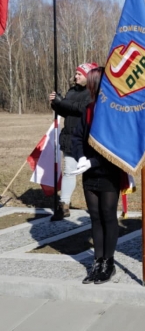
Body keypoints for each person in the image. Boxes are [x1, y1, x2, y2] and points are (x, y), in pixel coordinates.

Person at [72, 67, 122, 284]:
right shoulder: (89, 109)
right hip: (89, 173)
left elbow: (116, 146)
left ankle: (108, 262)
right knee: (95, 217)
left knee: (108, 216)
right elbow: (76, 137)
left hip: (109, 171)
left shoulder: (115, 111)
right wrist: (80, 157)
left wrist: (93, 161)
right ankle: (97, 260)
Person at [48, 62, 98, 221]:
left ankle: (95, 206)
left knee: (90, 174)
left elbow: (81, 108)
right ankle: (64, 204)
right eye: (76, 73)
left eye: (80, 74)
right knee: (69, 171)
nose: (76, 76)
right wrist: (56, 103)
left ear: (88, 76)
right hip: (70, 137)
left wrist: (62, 102)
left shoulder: (93, 92)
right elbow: (66, 110)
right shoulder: (72, 91)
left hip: (87, 139)